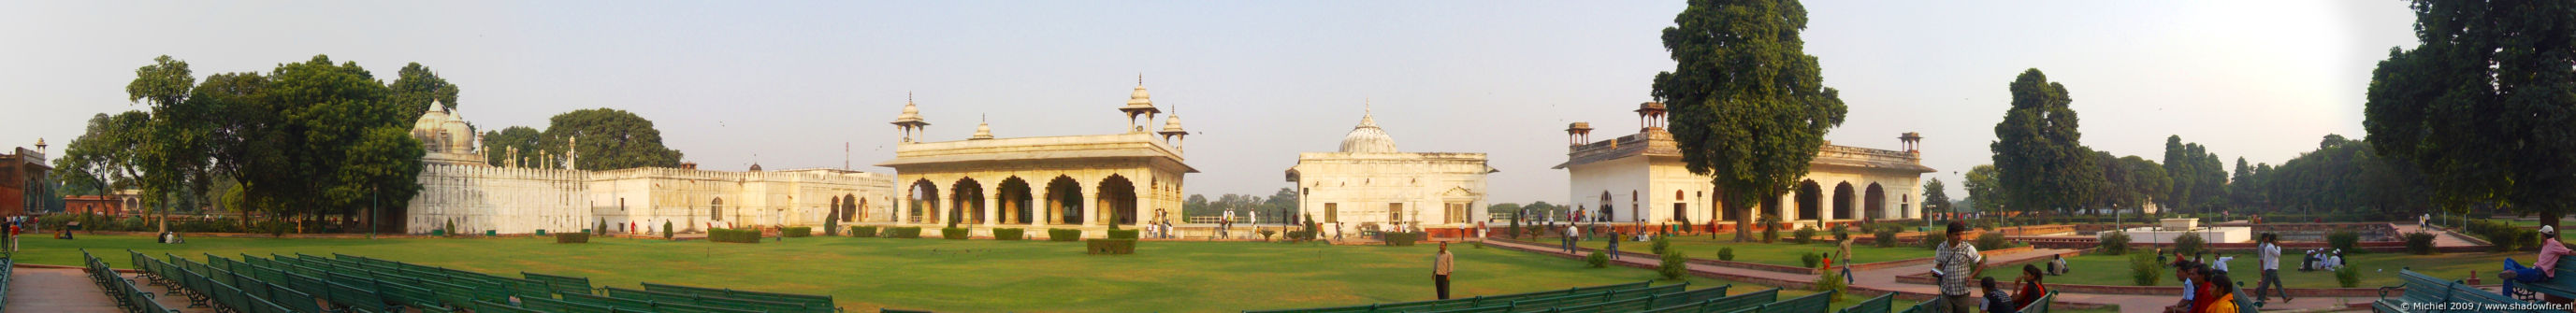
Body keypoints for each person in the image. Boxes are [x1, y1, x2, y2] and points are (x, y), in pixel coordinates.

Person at [2503, 225, 2569, 297]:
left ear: (2543, 235)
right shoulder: (2547, 244)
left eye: (2541, 234)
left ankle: (2506, 300)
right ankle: (2510, 271)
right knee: (2508, 260)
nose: (2541, 235)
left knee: (2508, 276)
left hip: (2538, 274)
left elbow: (2568, 251)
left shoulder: (2555, 244)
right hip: (2534, 270)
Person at [1934, 221, 1981, 313]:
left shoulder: (1967, 248)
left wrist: (1971, 276)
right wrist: (1936, 272)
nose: (1960, 237)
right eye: (1956, 234)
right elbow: (1939, 265)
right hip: (1946, 292)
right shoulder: (1941, 248)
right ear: (1949, 234)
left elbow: (1981, 264)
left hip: (1962, 293)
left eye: (1961, 234)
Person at [2253, 233, 2291, 303]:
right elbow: (2278, 254)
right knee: (2265, 285)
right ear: (2273, 240)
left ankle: (2285, 297)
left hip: (2273, 268)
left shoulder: (2271, 247)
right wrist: (2279, 247)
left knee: (2278, 284)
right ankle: (2259, 299)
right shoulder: (2270, 247)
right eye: (2276, 240)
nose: (2277, 241)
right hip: (2270, 269)